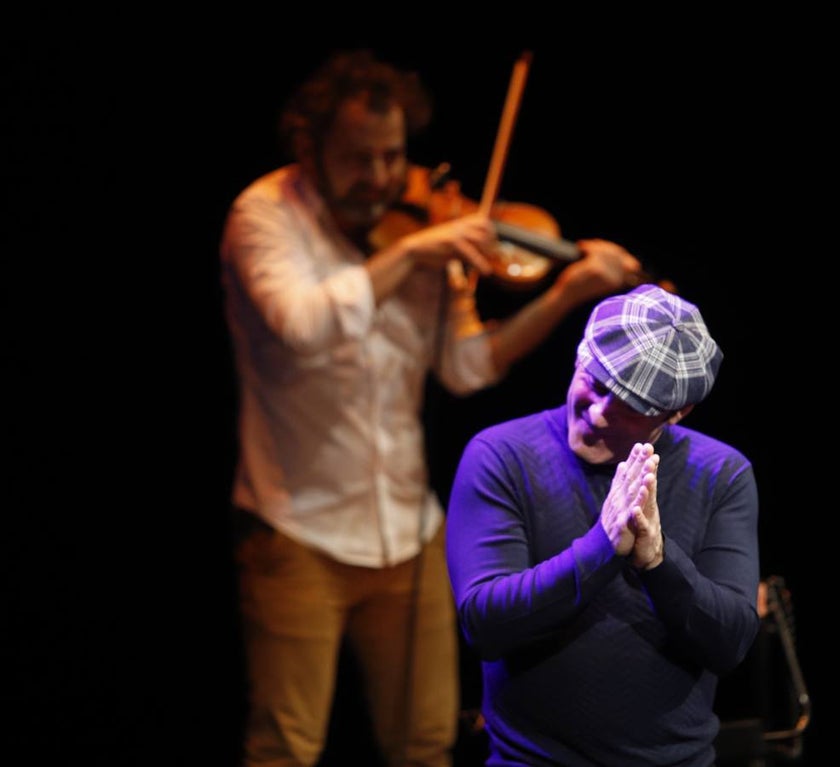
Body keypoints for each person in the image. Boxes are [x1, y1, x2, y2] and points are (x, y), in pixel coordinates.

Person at [219, 49, 643, 767]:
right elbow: (301, 325)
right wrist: (416, 252)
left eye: (392, 157)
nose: (382, 179)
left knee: (425, 745)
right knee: (285, 748)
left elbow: (467, 364)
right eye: (358, 159)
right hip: (296, 529)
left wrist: (566, 293)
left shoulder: (418, 229)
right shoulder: (264, 217)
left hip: (408, 535)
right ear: (307, 147)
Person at [445, 284, 762, 766]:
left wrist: (658, 560)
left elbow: (730, 643)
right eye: (592, 384)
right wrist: (601, 547)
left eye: (627, 411)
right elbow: (485, 624)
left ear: (678, 413)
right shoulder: (501, 456)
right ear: (579, 357)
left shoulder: (721, 473)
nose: (594, 415)